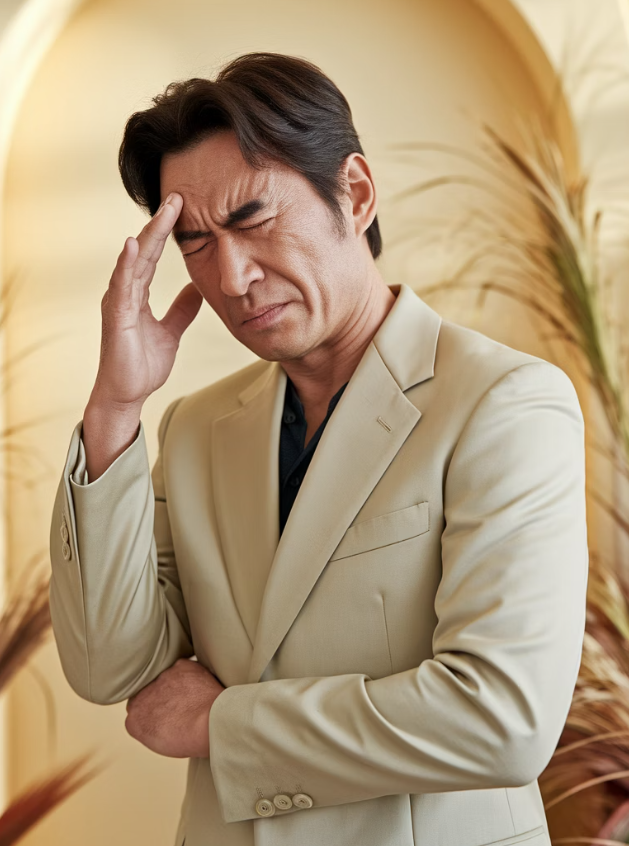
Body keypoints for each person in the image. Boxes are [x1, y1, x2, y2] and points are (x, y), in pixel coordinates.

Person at [49, 51, 588, 846]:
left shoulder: (502, 403)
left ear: (356, 194)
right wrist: (116, 406)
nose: (231, 277)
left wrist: (223, 724)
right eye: (194, 243)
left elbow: (501, 719)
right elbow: (110, 670)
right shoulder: (194, 428)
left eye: (251, 220)